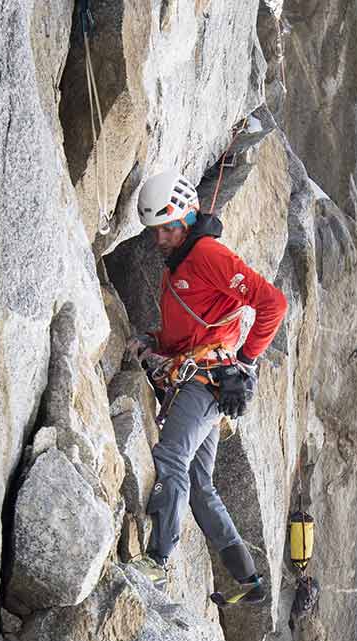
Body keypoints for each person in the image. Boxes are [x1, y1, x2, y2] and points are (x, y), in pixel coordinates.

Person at [125, 170, 288, 605]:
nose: (158, 240)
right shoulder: (179, 264)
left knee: (171, 456)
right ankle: (247, 577)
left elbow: (273, 303)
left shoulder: (206, 255)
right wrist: (153, 343)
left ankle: (157, 561)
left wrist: (247, 362)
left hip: (208, 382)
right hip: (202, 379)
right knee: (199, 482)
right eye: (155, 232)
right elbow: (185, 335)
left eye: (166, 229)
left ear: (184, 217)